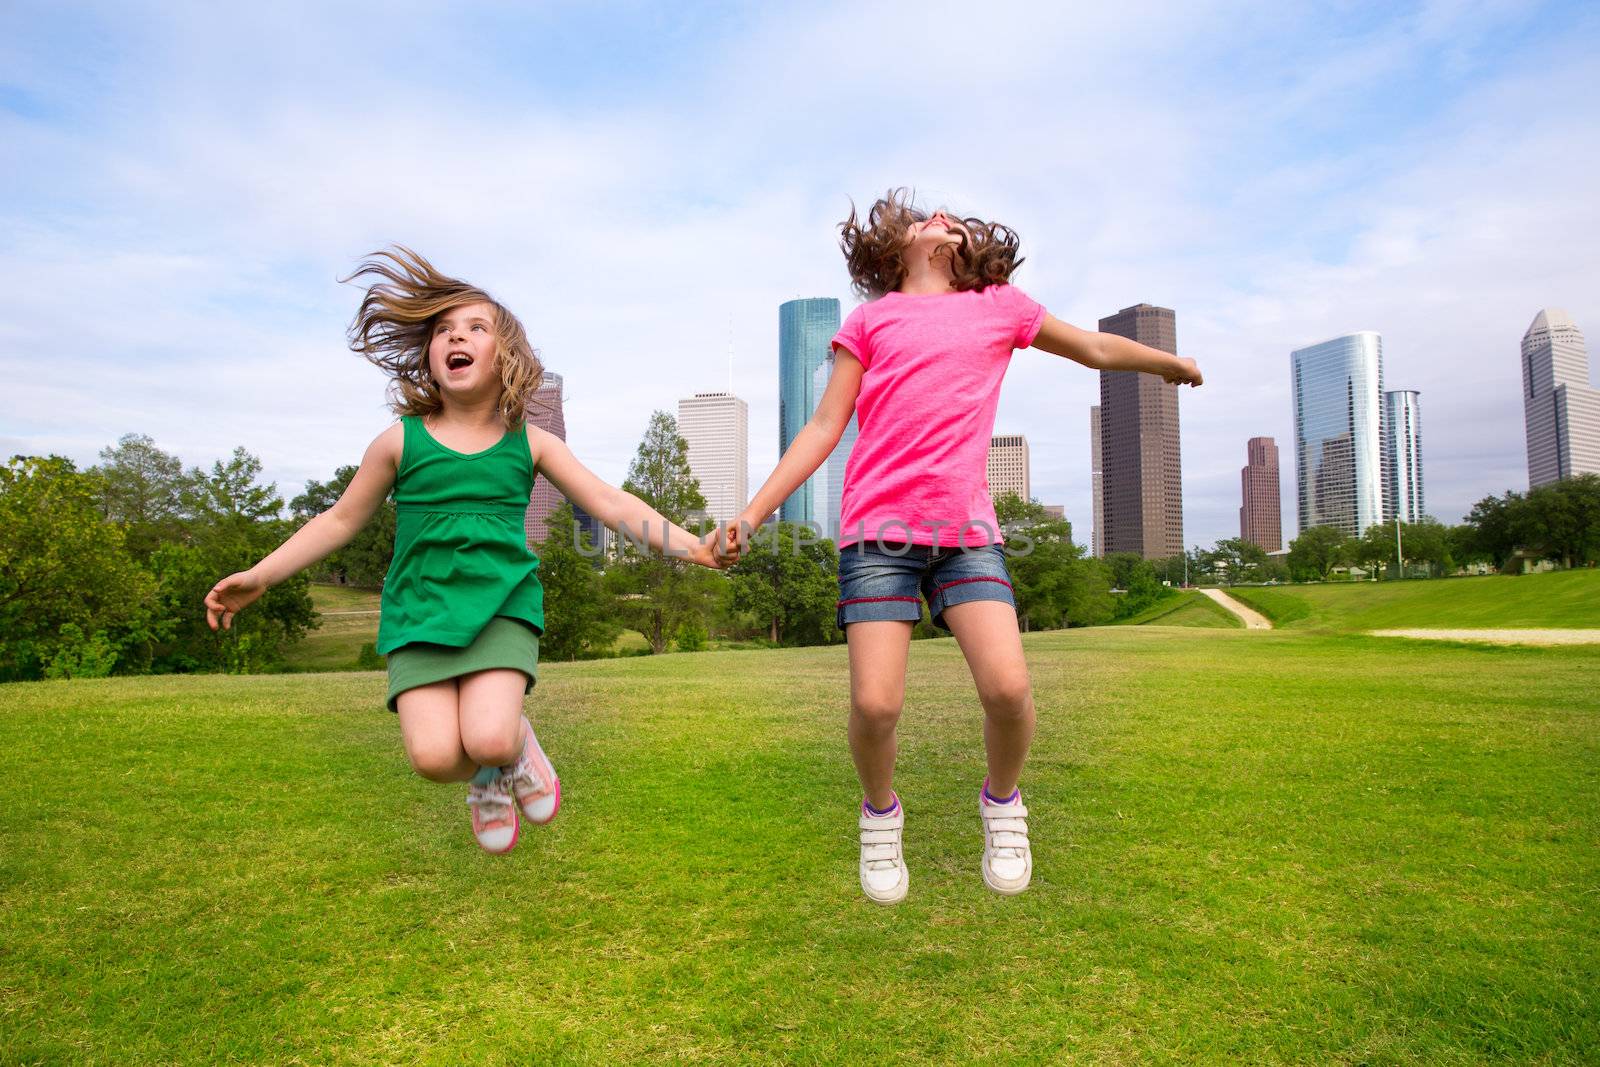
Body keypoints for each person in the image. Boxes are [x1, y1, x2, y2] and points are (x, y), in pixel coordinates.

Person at [720, 191, 1203, 903]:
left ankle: (1003, 802)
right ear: (894, 248)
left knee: (1009, 688)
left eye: (948, 215)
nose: (940, 216)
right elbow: (825, 426)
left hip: (965, 534)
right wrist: (754, 514)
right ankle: (880, 814)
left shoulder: (1001, 306)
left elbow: (1094, 348)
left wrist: (1167, 364)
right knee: (876, 707)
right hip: (877, 534)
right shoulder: (871, 320)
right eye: (924, 217)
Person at [206, 248, 724, 853]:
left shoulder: (531, 443)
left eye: (475, 328)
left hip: (502, 604)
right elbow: (339, 520)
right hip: (419, 611)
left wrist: (693, 547)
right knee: (432, 757)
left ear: (505, 355)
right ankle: (487, 775)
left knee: (491, 736)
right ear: (430, 356)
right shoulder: (398, 442)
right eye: (444, 331)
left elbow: (610, 502)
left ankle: (511, 751)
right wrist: (262, 576)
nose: (457, 336)